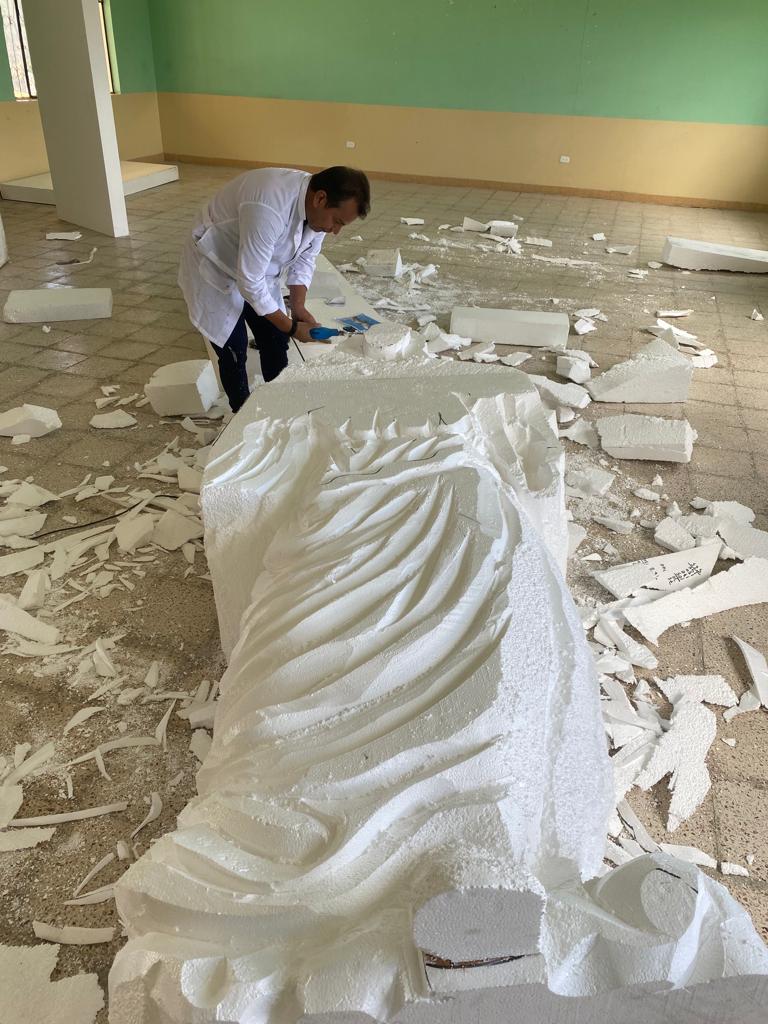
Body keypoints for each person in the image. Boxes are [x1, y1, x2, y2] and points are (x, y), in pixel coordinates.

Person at [179, 165, 370, 412]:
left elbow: (306, 258)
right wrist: (292, 328)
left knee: (275, 338)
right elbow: (250, 282)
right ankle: (243, 413)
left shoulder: (317, 211)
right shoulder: (269, 206)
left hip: (255, 266)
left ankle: (279, 403)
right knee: (234, 348)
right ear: (320, 198)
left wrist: (298, 307)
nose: (335, 231)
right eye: (337, 221)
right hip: (216, 262)